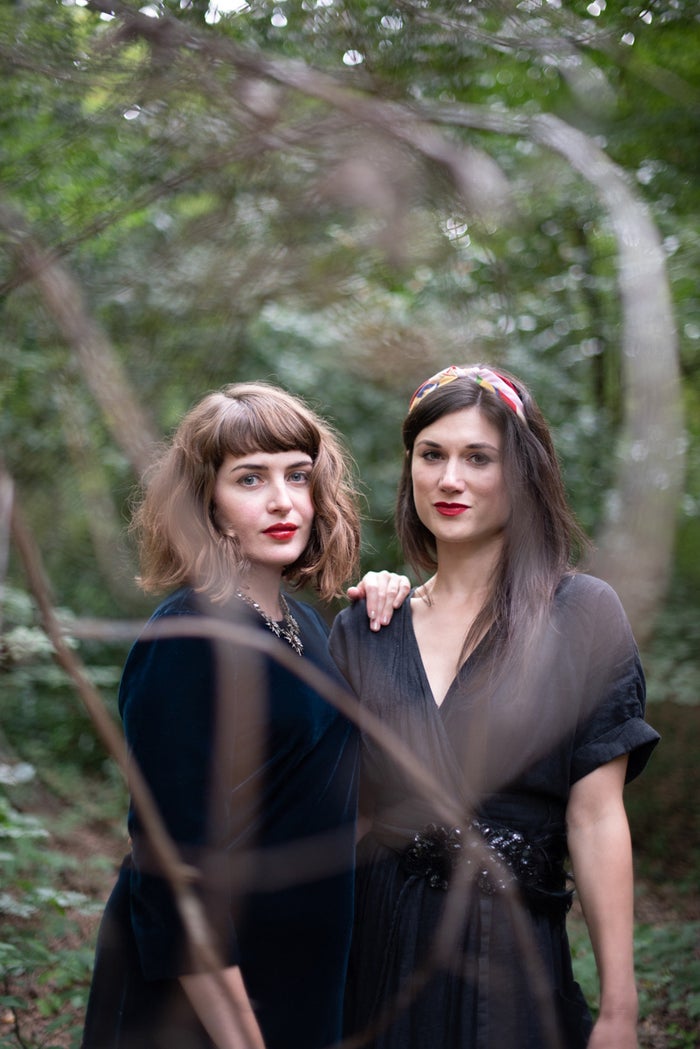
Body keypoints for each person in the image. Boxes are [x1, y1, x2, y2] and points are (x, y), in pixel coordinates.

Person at [329, 364, 660, 1049]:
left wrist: (619, 1011)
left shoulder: (584, 616)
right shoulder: (365, 629)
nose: (450, 479)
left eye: (479, 457)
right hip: (378, 959)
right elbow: (341, 815)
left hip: (512, 963)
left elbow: (596, 817)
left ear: (523, 473)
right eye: (433, 455)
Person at [81, 381, 409, 1049]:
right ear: (208, 502)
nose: (283, 500)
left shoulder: (307, 627)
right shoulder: (188, 638)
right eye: (250, 478)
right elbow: (174, 872)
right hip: (208, 1003)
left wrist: (395, 595)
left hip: (299, 976)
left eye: (298, 475)